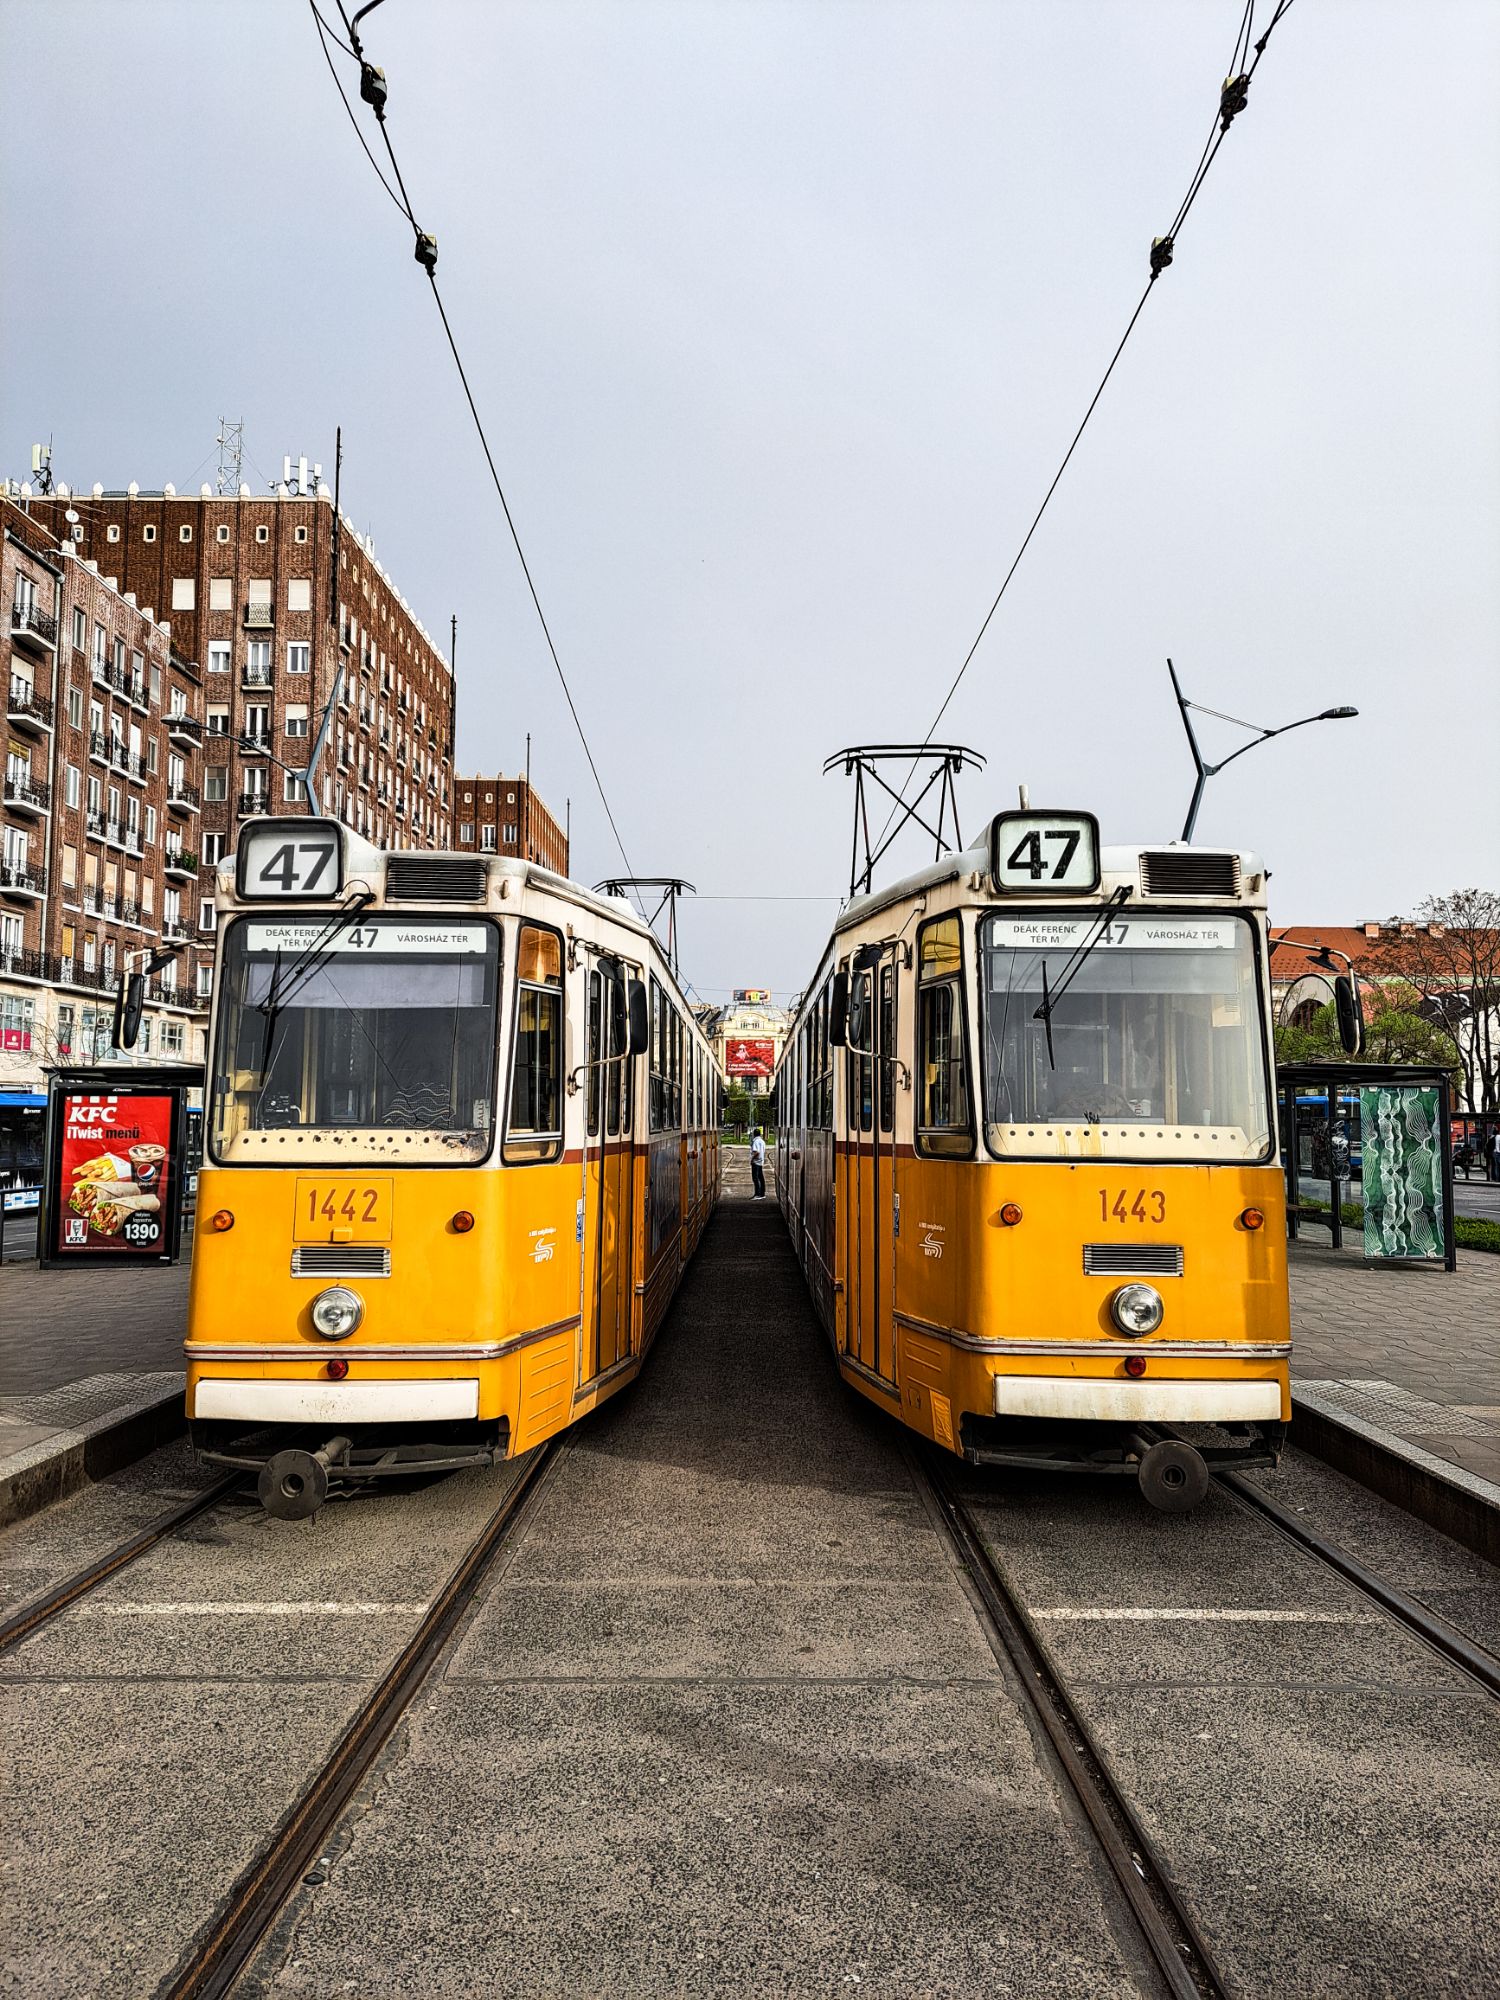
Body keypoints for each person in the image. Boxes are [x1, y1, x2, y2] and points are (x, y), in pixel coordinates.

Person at [749, 1127, 767, 1200]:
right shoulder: (762, 1141)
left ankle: (758, 1194)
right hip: (760, 1162)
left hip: (756, 1162)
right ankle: (762, 1193)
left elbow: (756, 1152)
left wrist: (752, 1159)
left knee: (755, 1178)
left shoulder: (755, 1141)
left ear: (754, 1134)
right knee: (761, 1178)